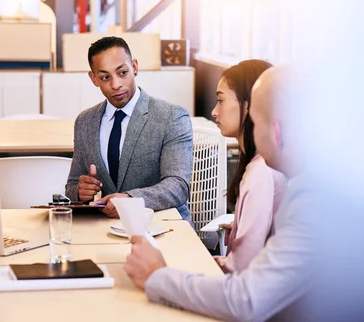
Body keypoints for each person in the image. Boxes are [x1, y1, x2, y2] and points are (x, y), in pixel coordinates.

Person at [124, 67, 315, 321]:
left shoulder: (310, 201)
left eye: (256, 122)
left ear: (276, 132)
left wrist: (157, 275)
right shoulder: (309, 186)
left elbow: (246, 299)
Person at [65, 36, 193, 220]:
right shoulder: (85, 122)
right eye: (105, 77)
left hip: (162, 225)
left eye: (122, 72)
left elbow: (178, 186)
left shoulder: (171, 117)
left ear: (134, 67)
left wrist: (130, 200)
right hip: (106, 229)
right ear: (93, 79)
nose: (116, 84)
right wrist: (80, 191)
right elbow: (71, 187)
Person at [211, 60, 287, 272]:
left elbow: (241, 268)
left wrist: (205, 263)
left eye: (220, 101)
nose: (214, 112)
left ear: (249, 104)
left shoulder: (260, 171)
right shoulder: (262, 164)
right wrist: (240, 227)